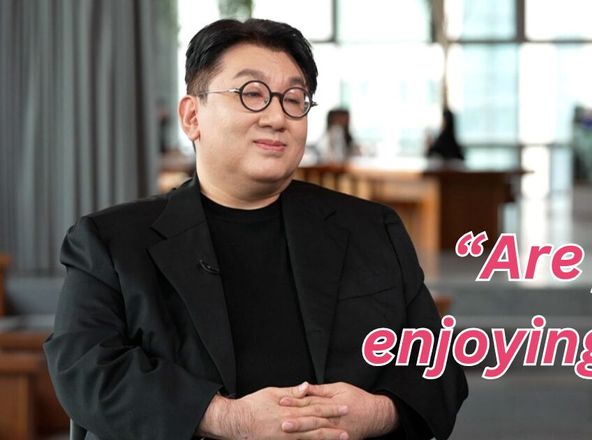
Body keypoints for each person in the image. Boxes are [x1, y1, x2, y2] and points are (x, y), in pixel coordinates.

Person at [44, 18, 467, 440]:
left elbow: (439, 366)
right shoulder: (111, 241)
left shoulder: (372, 229)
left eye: (294, 99)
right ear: (192, 116)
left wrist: (379, 412)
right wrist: (228, 418)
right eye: (252, 94)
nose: (277, 117)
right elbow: (85, 371)